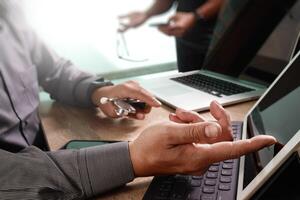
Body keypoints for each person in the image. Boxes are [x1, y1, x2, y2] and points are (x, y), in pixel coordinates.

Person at [0, 1, 276, 199]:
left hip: (44, 148)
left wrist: (98, 91)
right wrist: (135, 158)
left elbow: (55, 70)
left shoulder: (12, 11)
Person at [119, 0, 224, 72]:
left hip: (218, 36)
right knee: (189, 87)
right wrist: (147, 14)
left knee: (220, 89)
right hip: (186, 37)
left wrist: (195, 16)